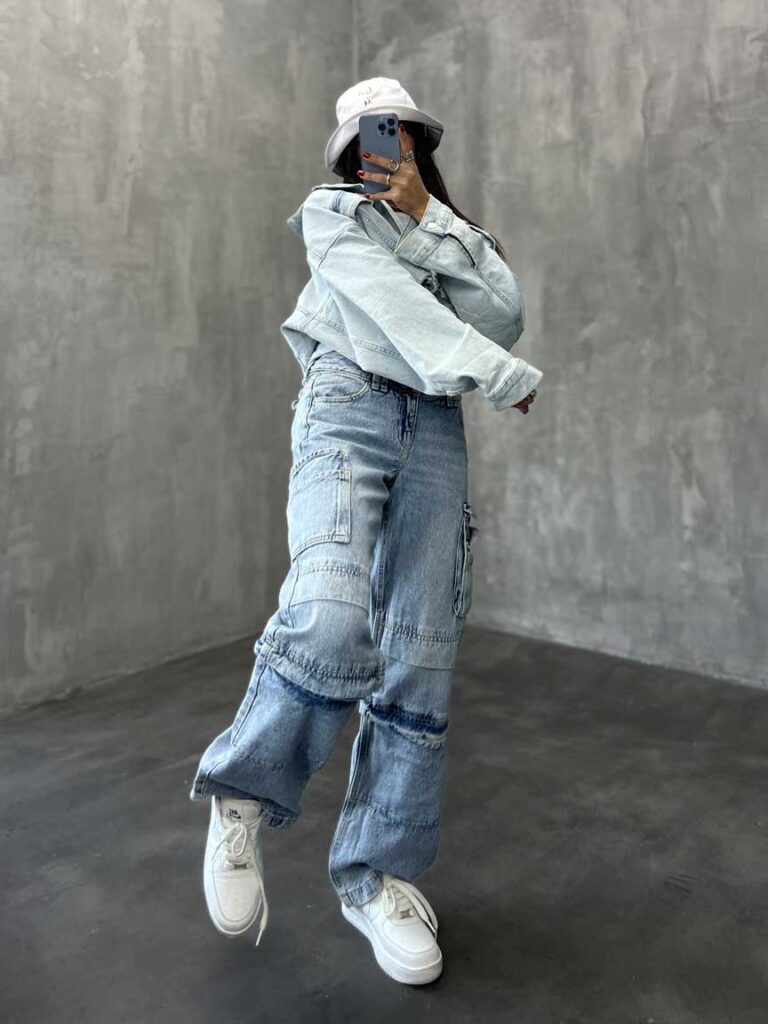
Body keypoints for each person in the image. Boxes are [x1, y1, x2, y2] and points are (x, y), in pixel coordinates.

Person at [188, 77, 543, 986]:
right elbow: (397, 309)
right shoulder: (331, 214)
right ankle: (243, 792)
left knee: (419, 650)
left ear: (420, 144)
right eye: (374, 137)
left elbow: (502, 311)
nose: (390, 148)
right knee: (330, 614)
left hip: (434, 428)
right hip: (347, 406)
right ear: (349, 150)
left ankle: (375, 876)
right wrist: (497, 373)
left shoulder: (447, 234)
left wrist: (432, 218)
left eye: (405, 134)